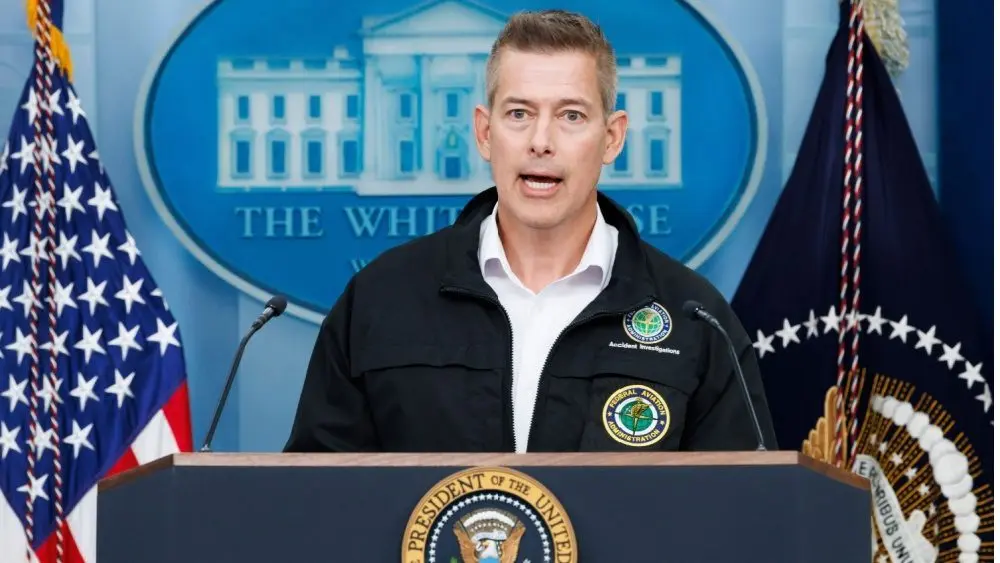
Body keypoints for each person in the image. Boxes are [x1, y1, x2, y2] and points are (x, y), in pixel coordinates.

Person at [283, 9, 777, 453]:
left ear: (612, 138)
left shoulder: (695, 320)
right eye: (519, 114)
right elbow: (317, 507)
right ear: (483, 132)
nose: (541, 142)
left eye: (571, 116)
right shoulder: (380, 298)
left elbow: (742, 516)